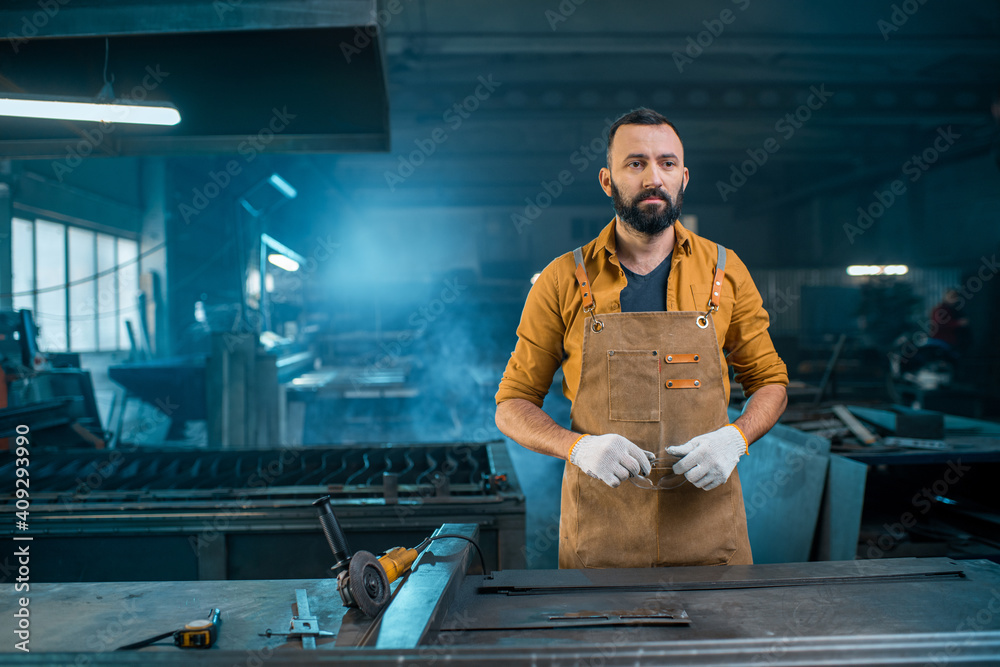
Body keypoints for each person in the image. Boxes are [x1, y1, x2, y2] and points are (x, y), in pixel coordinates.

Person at [495, 108, 788, 569]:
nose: (654, 177)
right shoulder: (561, 279)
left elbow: (770, 380)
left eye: (667, 163)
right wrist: (576, 447)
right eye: (636, 163)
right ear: (608, 181)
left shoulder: (725, 271)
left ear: (684, 177)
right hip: (601, 534)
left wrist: (736, 437)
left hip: (709, 532)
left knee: (721, 639)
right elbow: (511, 404)